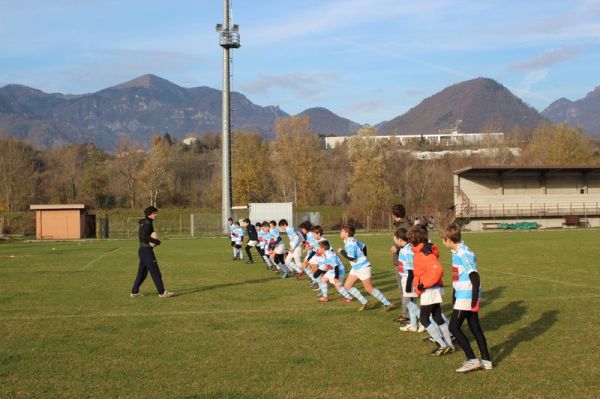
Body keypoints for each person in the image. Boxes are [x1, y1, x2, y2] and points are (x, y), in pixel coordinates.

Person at [441, 223, 492, 373]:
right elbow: (459, 277)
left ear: (449, 239)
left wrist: (474, 300)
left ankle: (472, 359)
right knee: (474, 327)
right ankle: (486, 360)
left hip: (467, 296)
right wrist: (454, 295)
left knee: (453, 327)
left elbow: (474, 276)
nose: (442, 242)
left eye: (443, 240)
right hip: (462, 294)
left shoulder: (463, 253)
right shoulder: (456, 251)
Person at [409, 226, 454, 356]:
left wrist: (423, 285)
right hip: (431, 290)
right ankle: (449, 344)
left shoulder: (424, 253)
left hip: (430, 290)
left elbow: (438, 270)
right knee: (437, 317)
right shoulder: (420, 252)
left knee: (423, 319)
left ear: (414, 239)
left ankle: (443, 345)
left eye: (410, 238)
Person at [338, 224, 395, 312]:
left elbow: (351, 257)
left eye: (342, 231)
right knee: (347, 286)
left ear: (346, 233)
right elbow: (363, 246)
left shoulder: (350, 243)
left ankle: (387, 303)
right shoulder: (350, 240)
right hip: (356, 267)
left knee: (369, 289)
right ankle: (366, 303)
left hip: (363, 268)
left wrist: (342, 251)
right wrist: (364, 256)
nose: (340, 232)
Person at [131, 206, 174, 298]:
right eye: (155, 213)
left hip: (142, 250)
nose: (156, 215)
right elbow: (144, 237)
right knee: (155, 272)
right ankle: (162, 292)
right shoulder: (148, 223)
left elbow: (143, 234)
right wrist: (156, 241)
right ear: (150, 214)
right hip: (146, 251)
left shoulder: (145, 222)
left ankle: (135, 291)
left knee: (142, 273)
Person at [394, 227, 424, 333]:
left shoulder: (407, 251)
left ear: (399, 239)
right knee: (410, 303)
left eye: (395, 238)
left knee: (409, 303)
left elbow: (411, 270)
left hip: (409, 280)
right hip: (406, 278)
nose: (394, 240)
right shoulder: (404, 248)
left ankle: (423, 322)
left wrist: (407, 285)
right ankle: (413, 324)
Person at [390, 203, 411, 323]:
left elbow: (407, 242)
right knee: (404, 289)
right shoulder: (402, 224)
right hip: (400, 261)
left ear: (394, 214)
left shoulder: (404, 226)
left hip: (403, 262)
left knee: (404, 289)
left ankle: (407, 315)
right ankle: (408, 313)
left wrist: (396, 248)